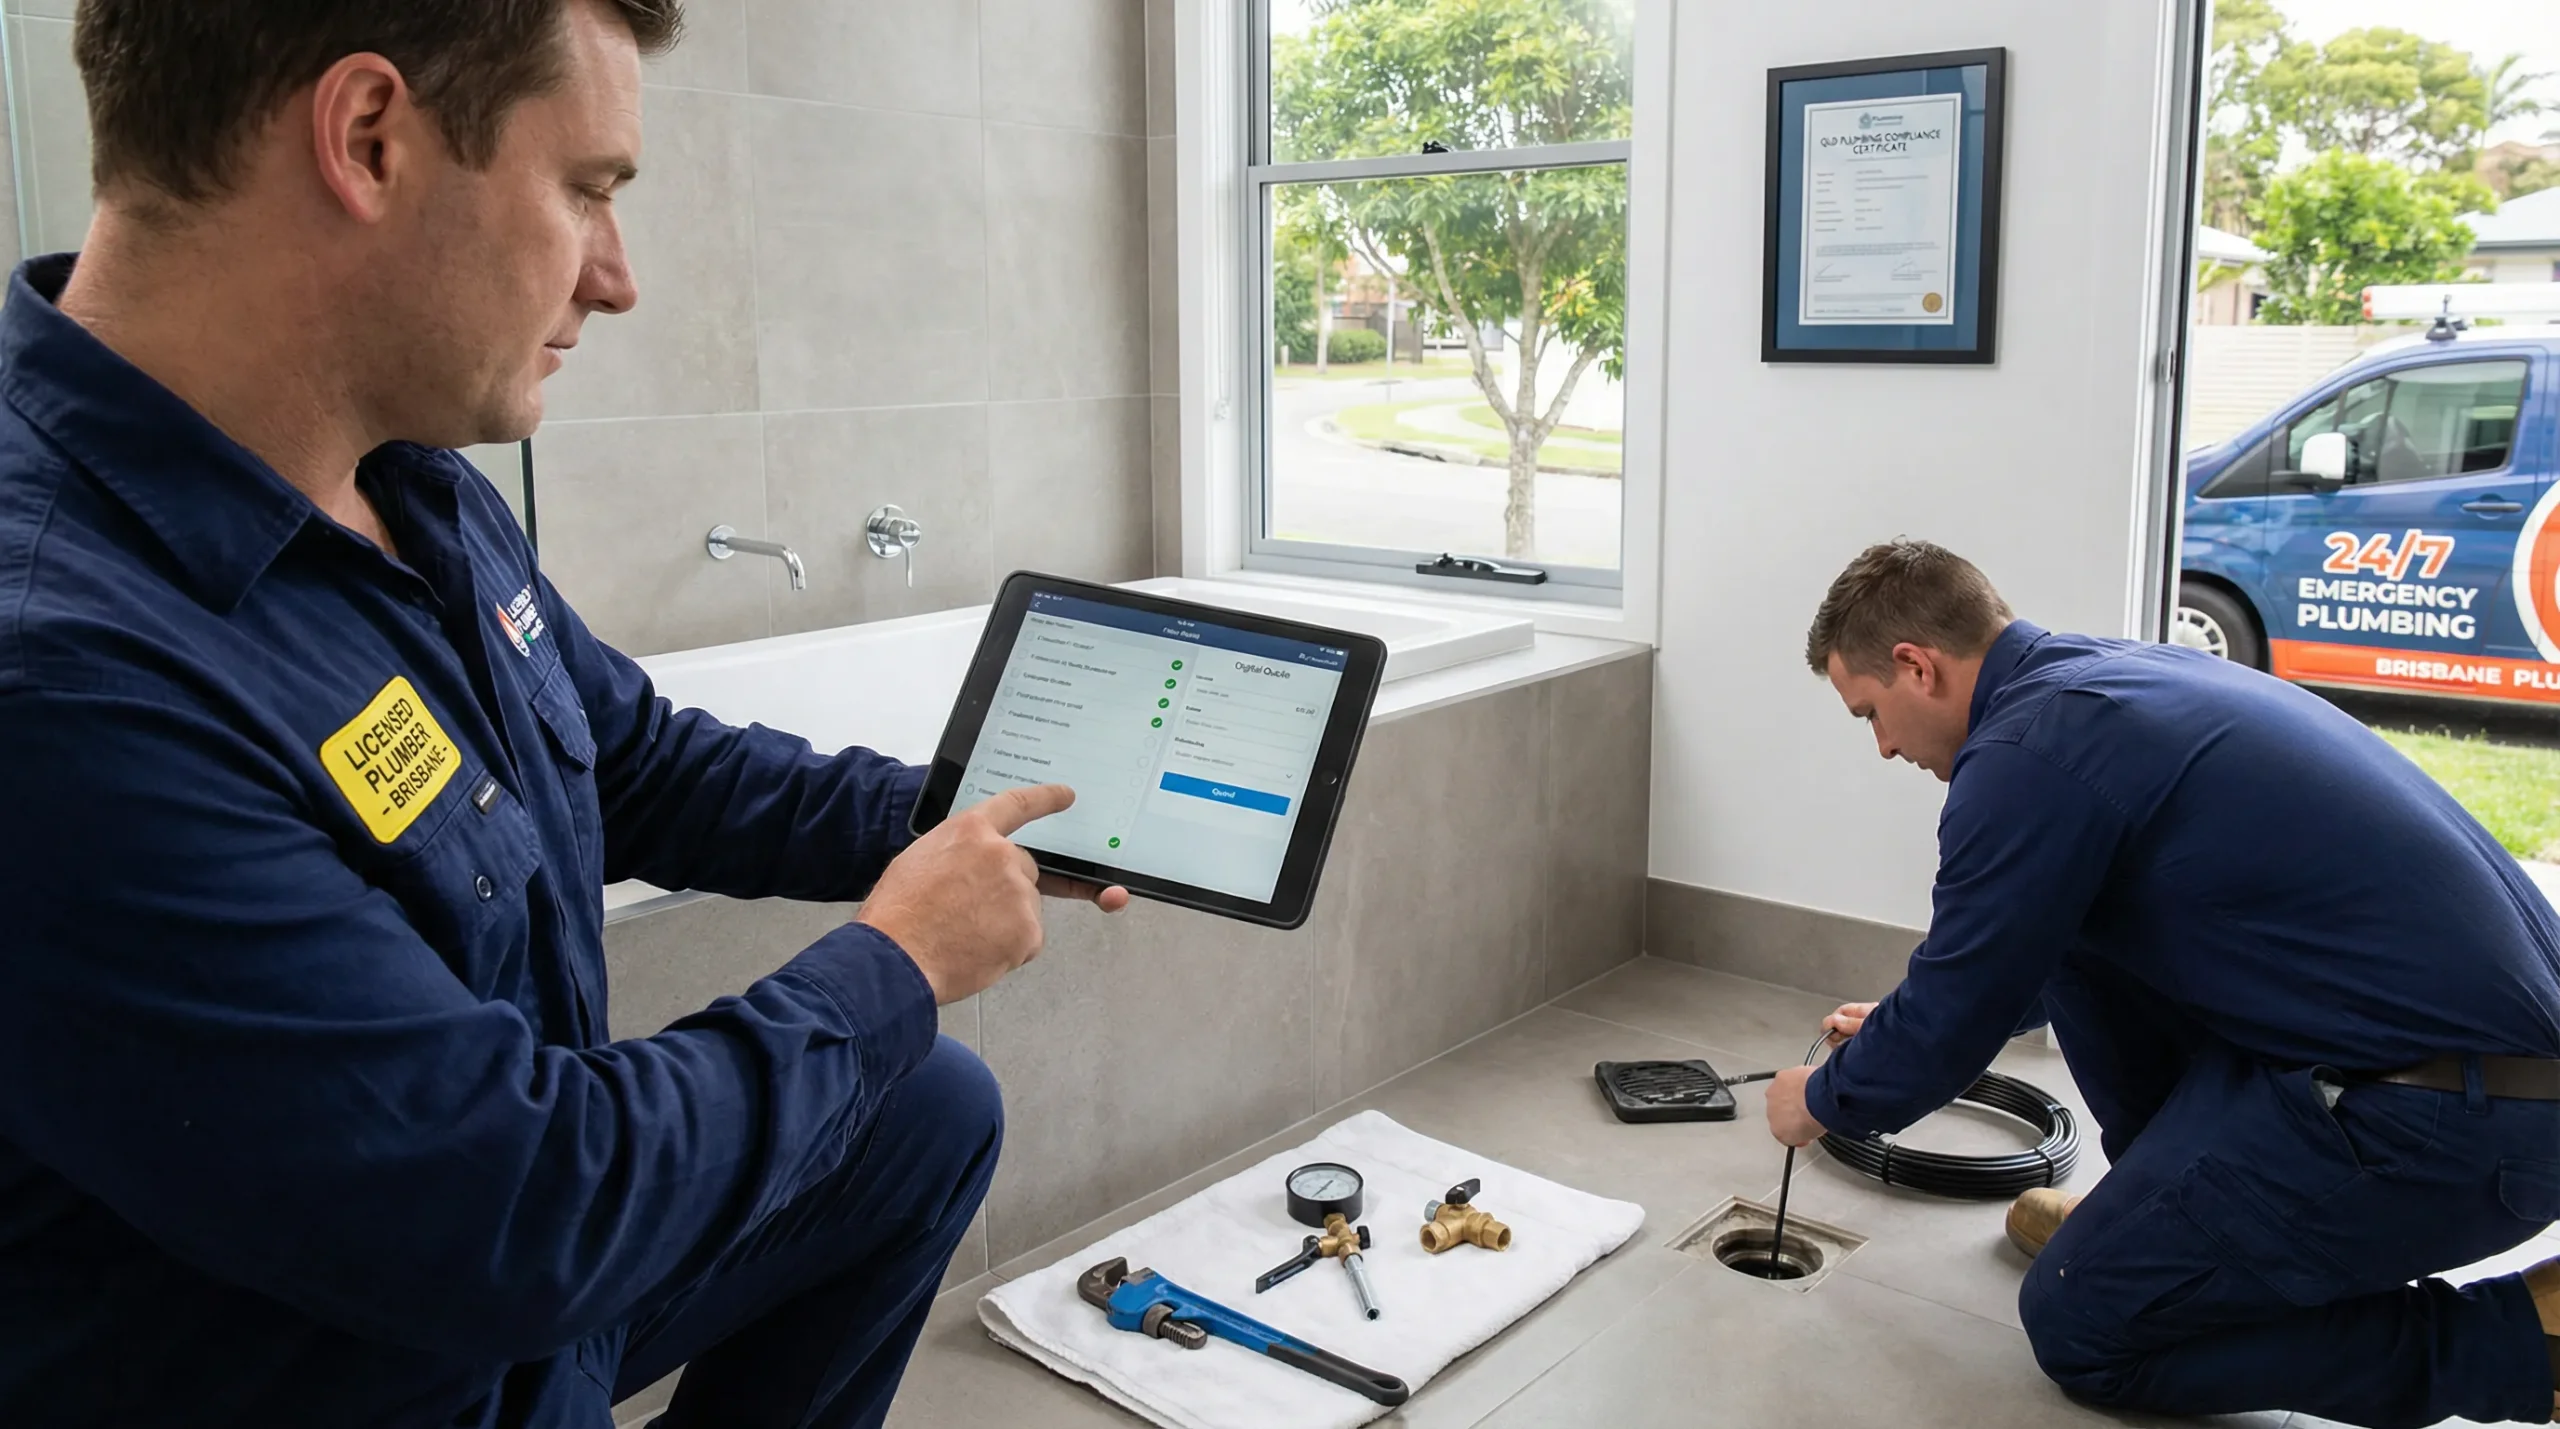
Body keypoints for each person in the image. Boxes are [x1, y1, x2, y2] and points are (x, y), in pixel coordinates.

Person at [0, 3, 1126, 1426]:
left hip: (513, 1319)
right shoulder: (65, 688)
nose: (619, 278)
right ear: (369, 140)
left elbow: (635, 760)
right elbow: (519, 1213)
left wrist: (959, 814)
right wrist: (897, 961)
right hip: (379, 1353)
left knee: (923, 1116)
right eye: (589, 187)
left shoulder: (411, 487)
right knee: (889, 1056)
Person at [1762, 539, 2560, 1429]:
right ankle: (2160, 1227)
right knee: (2085, 953)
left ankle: (2524, 1343)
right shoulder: (2105, 687)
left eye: (1871, 712)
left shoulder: (2024, 756)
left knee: (2083, 1325)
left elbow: (1948, 1026)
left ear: (1918, 665)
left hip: (2456, 1124)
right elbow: (2016, 958)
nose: (1881, 746)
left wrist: (1825, 1098)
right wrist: (1912, 1021)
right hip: (2471, 1075)